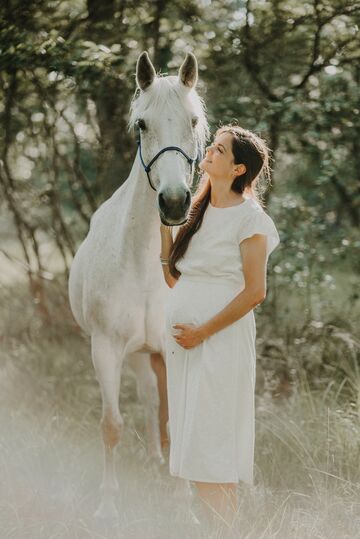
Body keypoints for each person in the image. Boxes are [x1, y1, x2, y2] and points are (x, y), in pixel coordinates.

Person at [159, 124, 280, 531]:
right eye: (211, 147)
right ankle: (220, 531)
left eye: (219, 150)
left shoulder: (251, 219)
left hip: (218, 342)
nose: (208, 152)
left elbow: (254, 292)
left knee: (212, 445)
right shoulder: (199, 211)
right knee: (194, 444)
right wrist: (165, 234)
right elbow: (179, 280)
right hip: (185, 348)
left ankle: (225, 532)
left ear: (239, 168)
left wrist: (202, 331)